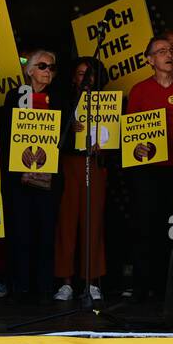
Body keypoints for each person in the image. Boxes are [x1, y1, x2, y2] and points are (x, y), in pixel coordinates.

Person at [126, 35, 173, 302]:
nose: (168, 54)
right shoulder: (138, 90)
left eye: (170, 50)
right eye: (160, 51)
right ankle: (141, 287)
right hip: (148, 170)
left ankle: (169, 285)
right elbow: (130, 134)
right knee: (146, 226)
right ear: (150, 60)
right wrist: (138, 147)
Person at [0, 50, 60, 301]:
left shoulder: (59, 98)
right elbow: (6, 133)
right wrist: (22, 169)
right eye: (43, 65)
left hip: (50, 176)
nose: (48, 71)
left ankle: (45, 285)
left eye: (52, 67)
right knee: (20, 229)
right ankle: (20, 284)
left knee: (46, 230)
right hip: (19, 177)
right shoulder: (15, 96)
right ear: (30, 70)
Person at [53, 56, 109, 302]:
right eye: (80, 73)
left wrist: (104, 146)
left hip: (96, 165)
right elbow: (50, 136)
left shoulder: (110, 102)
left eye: (90, 73)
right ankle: (65, 282)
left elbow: (119, 138)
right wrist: (69, 124)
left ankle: (92, 281)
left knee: (93, 222)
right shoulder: (64, 101)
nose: (85, 78)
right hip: (69, 164)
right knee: (67, 222)